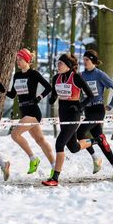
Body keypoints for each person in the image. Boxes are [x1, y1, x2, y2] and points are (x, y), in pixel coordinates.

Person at [42, 53, 99, 187]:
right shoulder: (56, 77)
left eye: (60, 63)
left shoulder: (76, 77)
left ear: (68, 66)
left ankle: (55, 178)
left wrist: (80, 106)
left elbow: (91, 96)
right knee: (73, 147)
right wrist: (52, 98)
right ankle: (97, 140)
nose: (58, 66)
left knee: (59, 143)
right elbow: (55, 93)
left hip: (73, 114)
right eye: (57, 63)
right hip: (62, 114)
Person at [6, 48, 56, 176]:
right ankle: (55, 166)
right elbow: (12, 95)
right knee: (40, 140)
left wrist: (39, 98)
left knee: (14, 134)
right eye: (17, 59)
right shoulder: (16, 75)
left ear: (27, 60)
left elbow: (49, 87)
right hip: (24, 111)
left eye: (20, 59)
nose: (18, 61)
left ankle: (33, 159)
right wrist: (3, 90)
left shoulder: (34, 74)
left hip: (33, 112)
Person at [76, 50, 113, 180]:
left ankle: (95, 157)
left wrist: (111, 104)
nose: (84, 62)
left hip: (98, 110)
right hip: (88, 110)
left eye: (87, 60)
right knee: (100, 139)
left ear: (93, 61)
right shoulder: (81, 76)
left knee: (80, 133)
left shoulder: (99, 75)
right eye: (83, 59)